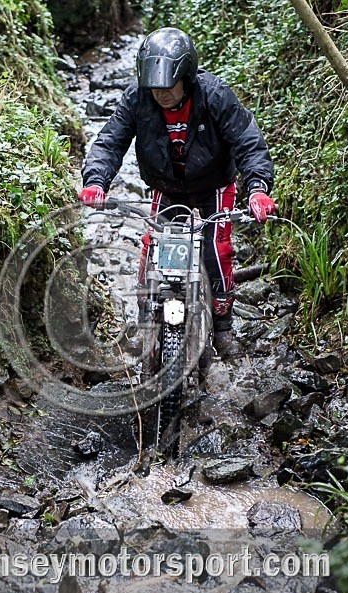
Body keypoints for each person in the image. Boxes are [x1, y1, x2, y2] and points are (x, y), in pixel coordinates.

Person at [78, 27, 276, 355]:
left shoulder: (215, 95)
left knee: (216, 250)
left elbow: (248, 141)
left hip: (214, 184)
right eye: (156, 87)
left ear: (186, 76)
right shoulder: (137, 98)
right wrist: (96, 182)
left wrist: (257, 189)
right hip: (166, 186)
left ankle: (222, 325)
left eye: (169, 85)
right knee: (152, 249)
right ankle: (147, 317)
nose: (162, 93)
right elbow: (110, 140)